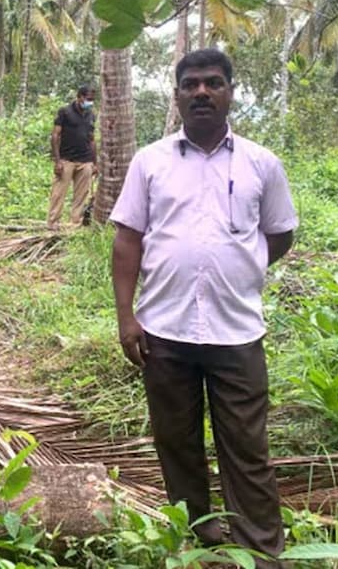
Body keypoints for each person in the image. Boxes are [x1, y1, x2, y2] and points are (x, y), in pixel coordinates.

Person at [109, 48, 297, 568]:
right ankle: (200, 536)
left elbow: (279, 235)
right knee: (176, 442)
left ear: (231, 92)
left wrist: (238, 266)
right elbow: (127, 241)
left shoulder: (261, 163)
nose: (201, 92)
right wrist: (126, 318)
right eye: (190, 84)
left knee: (247, 449)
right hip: (164, 329)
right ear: (176, 95)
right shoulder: (151, 162)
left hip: (236, 332)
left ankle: (261, 552)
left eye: (213, 83)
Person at [49, 85, 97, 231]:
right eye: (88, 99)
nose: (90, 102)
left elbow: (92, 139)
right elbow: (55, 135)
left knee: (81, 195)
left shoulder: (91, 115)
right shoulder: (65, 112)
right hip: (66, 159)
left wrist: (95, 162)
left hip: (85, 161)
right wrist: (57, 160)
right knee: (58, 193)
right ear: (80, 97)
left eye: (92, 100)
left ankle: (75, 224)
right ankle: (53, 223)